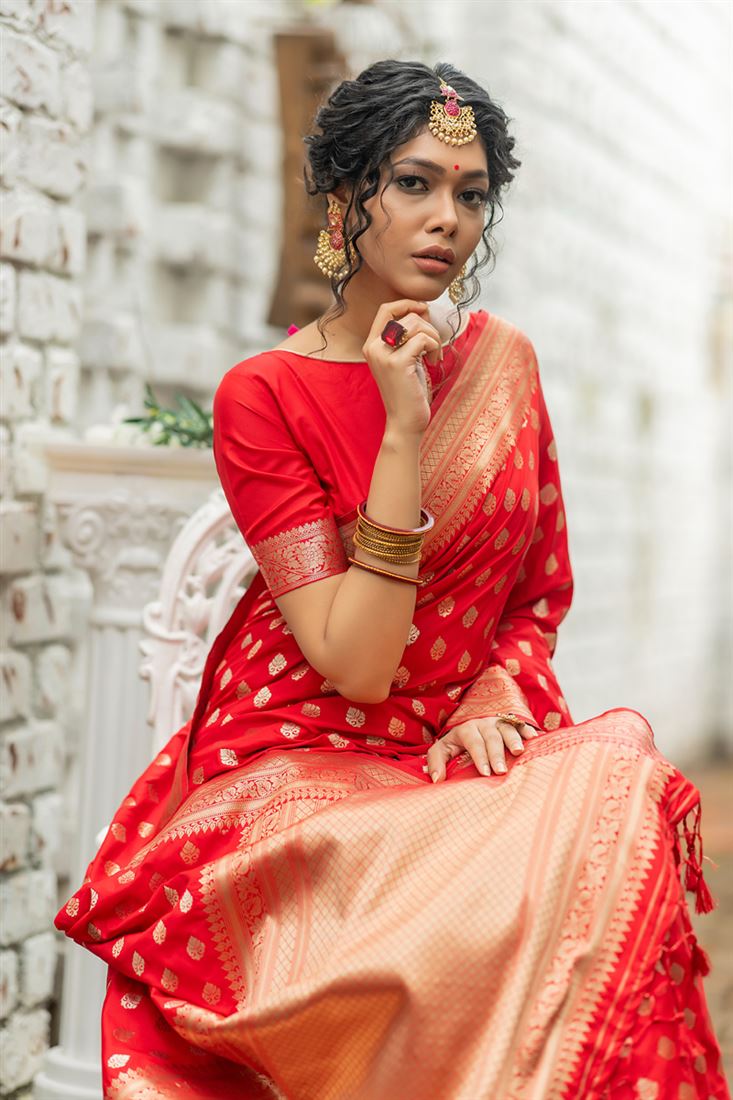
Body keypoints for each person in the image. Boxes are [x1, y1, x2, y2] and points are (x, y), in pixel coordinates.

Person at [55, 60, 729, 1099]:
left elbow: (535, 594)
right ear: (344, 200)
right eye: (413, 184)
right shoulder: (263, 394)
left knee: (616, 788)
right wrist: (401, 430)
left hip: (460, 741)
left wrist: (496, 695)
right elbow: (357, 662)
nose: (447, 219)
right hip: (301, 755)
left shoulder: (504, 365)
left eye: (471, 194)